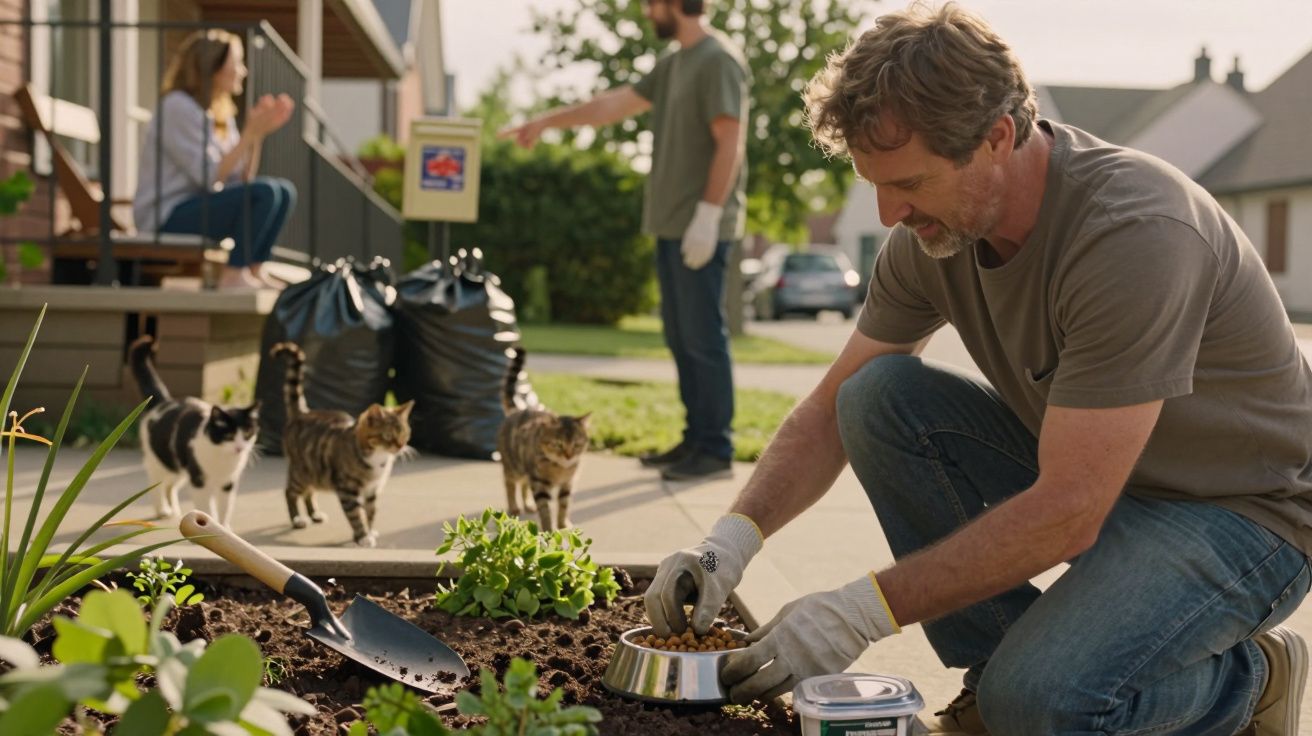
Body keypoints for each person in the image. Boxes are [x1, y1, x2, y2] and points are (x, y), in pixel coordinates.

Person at [644, 4, 1312, 734]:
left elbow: (1069, 512)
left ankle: (1251, 680)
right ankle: (992, 680)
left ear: (996, 137)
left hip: (1242, 515)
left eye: (909, 182)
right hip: (1102, 483)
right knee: (876, 397)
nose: (889, 212)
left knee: (1041, 702)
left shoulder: (1133, 232)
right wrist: (727, 545)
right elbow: (831, 409)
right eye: (874, 184)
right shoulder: (934, 235)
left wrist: (861, 611)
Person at [501, 0, 749, 481]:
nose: (646, 13)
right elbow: (611, 106)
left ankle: (715, 449)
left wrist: (708, 214)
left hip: (701, 225)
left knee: (703, 339)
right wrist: (546, 121)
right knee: (681, 337)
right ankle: (695, 439)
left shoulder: (718, 59)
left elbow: (730, 141)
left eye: (651, 4)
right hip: (671, 225)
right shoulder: (674, 63)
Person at [134, 29, 296, 289]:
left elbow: (242, 179)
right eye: (237, 63)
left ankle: (254, 269)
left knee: (284, 192)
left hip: (198, 207)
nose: (243, 71)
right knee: (265, 192)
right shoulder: (177, 107)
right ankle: (233, 274)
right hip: (166, 216)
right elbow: (210, 176)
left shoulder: (219, 113)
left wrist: (257, 135)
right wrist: (248, 134)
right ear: (213, 67)